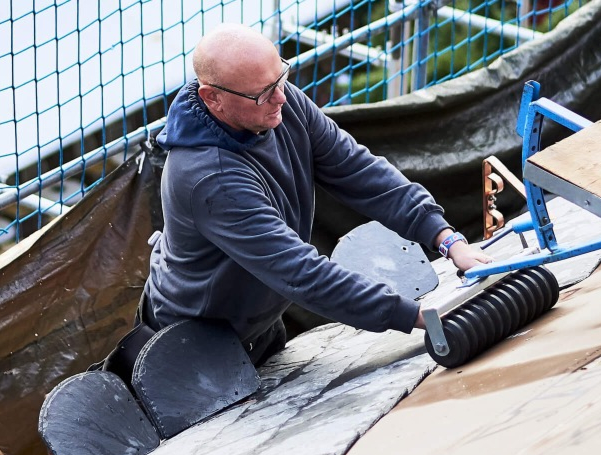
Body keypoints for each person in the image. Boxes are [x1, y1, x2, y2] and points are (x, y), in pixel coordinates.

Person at [139, 24, 494, 366]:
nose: (281, 97)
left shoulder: (277, 101)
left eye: (281, 78)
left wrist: (449, 240)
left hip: (255, 325)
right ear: (212, 98)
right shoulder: (208, 178)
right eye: (263, 92)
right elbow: (300, 272)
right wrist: (418, 317)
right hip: (194, 353)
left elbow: (358, 170)